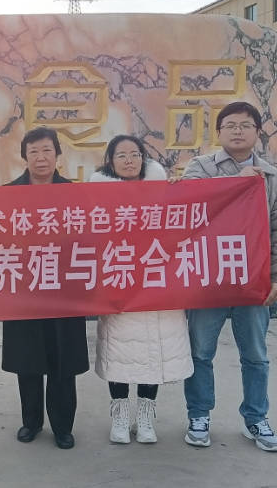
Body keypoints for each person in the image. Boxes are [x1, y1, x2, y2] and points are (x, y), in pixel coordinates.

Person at [180, 101, 277, 452]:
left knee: (256, 356)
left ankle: (256, 418)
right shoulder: (200, 168)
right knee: (200, 353)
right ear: (219, 132)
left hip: (254, 282)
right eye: (230, 125)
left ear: (257, 132)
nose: (237, 131)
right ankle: (199, 415)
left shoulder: (273, 178)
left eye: (245, 125)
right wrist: (236, 183)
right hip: (208, 281)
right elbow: (187, 203)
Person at [88, 135, 192, 444]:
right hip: (119, 285)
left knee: (152, 356)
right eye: (121, 155)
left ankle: (145, 418)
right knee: (120, 354)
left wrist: (181, 190)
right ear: (110, 161)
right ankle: (120, 417)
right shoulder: (97, 198)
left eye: (134, 154)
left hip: (158, 285)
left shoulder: (164, 191)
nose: (129, 160)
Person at [2, 127, 90, 450]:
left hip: (64, 290)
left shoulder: (75, 194)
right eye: (34, 152)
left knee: (62, 360)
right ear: (24, 157)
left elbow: (88, 238)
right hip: (24, 290)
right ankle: (31, 422)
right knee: (28, 360)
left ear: (57, 155)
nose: (41, 158)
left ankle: (63, 426)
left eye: (47, 151)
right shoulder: (7, 194)